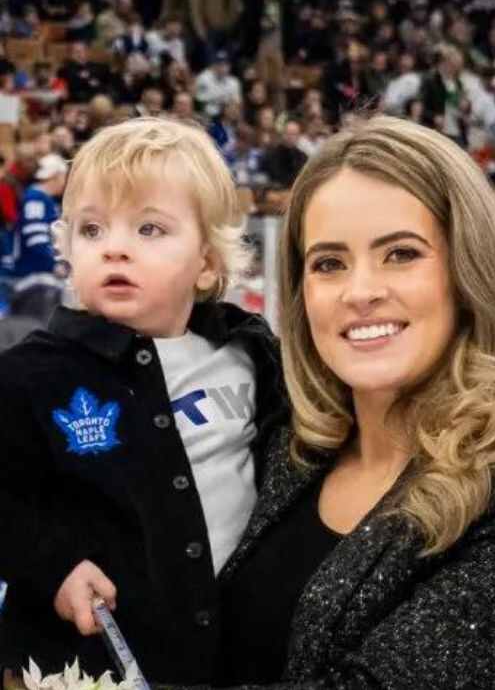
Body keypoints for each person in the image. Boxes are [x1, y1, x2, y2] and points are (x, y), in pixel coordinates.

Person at [167, 116, 495, 688]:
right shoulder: (283, 442)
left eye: (401, 254)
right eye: (329, 263)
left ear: (467, 271)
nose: (360, 293)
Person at [0, 117, 285, 682]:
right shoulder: (30, 375)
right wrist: (52, 565)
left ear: (207, 260)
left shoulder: (250, 354)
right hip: (83, 667)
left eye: (149, 229)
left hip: (233, 661)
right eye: (92, 230)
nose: (115, 250)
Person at [4, 153, 68, 323]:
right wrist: (53, 264)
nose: (64, 182)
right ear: (55, 176)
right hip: (33, 275)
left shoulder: (41, 198)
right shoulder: (36, 199)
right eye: (63, 177)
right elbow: (36, 239)